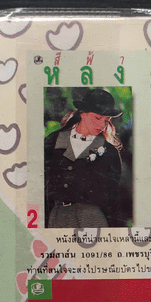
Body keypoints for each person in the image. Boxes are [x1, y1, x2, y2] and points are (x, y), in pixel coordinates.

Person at [44, 88, 124, 228]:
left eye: (106, 120)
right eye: (97, 118)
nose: (101, 125)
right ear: (82, 114)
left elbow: (113, 202)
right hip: (58, 218)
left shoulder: (109, 153)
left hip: (93, 220)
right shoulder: (53, 141)